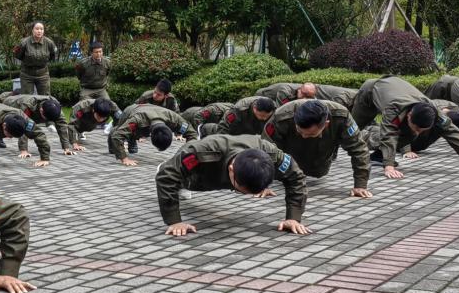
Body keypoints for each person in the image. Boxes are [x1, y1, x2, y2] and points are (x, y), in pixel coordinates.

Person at [156, 134, 310, 236]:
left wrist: (293, 217)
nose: (247, 195)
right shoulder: (201, 153)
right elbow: (166, 176)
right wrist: (175, 221)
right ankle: (168, 166)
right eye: (242, 190)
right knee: (175, 177)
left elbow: (296, 176)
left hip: (228, 164)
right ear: (231, 170)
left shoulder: (271, 154)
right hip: (199, 173)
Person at [352, 76, 459, 181]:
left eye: (421, 130)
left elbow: (453, 133)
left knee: (409, 135)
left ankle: (378, 156)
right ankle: (342, 148)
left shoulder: (432, 109)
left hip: (396, 88)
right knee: (353, 130)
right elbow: (389, 135)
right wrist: (389, 167)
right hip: (369, 92)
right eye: (417, 128)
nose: (418, 133)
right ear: (409, 116)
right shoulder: (393, 108)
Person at [264, 99, 372, 195]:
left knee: (319, 172)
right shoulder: (281, 117)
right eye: (300, 131)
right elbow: (265, 149)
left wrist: (360, 185)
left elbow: (358, 149)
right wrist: (262, 184)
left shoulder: (341, 116)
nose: (304, 136)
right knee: (283, 171)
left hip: (320, 154)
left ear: (326, 124)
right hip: (289, 150)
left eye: (310, 134)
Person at [0, 92, 79, 153]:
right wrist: (24, 150)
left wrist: (66, 148)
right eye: (47, 119)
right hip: (9, 104)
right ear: (41, 110)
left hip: (26, 106)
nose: (48, 121)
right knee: (4, 129)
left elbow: (62, 126)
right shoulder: (28, 106)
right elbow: (22, 126)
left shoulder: (55, 107)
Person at [110, 104, 190, 164]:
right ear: (151, 136)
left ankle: (132, 138)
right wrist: (124, 158)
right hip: (131, 111)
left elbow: (190, 132)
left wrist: (190, 153)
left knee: (133, 143)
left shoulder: (174, 118)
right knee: (119, 132)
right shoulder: (137, 120)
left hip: (151, 113)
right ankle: (127, 139)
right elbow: (117, 136)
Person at [12, 22, 58, 96]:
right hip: (27, 75)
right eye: (37, 29)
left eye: (41, 29)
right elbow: (18, 55)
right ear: (32, 30)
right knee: (26, 98)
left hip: (43, 74)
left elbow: (52, 55)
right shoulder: (24, 42)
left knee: (45, 98)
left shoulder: (49, 43)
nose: (39, 31)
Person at [203, 97, 277, 137]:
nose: (264, 118)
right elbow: (224, 128)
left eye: (267, 116)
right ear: (254, 108)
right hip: (239, 127)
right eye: (262, 116)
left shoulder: (275, 109)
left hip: (255, 130)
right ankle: (204, 129)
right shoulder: (239, 110)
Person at [256, 82, 358, 108]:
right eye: (304, 95)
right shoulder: (285, 92)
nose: (306, 99)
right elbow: (281, 111)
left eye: (309, 97)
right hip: (263, 96)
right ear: (299, 90)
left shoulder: (308, 93)